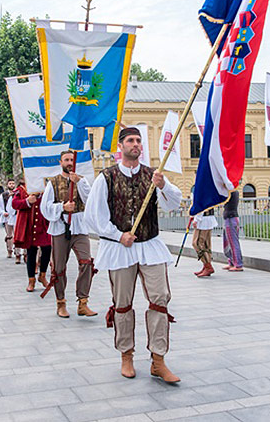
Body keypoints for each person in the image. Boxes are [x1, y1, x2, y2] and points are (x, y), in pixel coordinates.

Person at [85, 127, 182, 383]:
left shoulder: (153, 175)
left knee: (160, 298)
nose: (136, 144)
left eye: (139, 140)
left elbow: (174, 203)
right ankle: (126, 354)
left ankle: (158, 360)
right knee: (122, 302)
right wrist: (119, 235)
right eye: (131, 140)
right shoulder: (106, 177)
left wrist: (162, 187)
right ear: (121, 146)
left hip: (150, 245)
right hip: (120, 249)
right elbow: (94, 216)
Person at [40, 150, 97, 318]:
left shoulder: (82, 180)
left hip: (80, 227)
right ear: (60, 162)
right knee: (58, 268)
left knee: (86, 262)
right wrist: (62, 208)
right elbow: (45, 207)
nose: (69, 162)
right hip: (60, 227)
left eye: (72, 159)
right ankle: (61, 303)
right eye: (66, 160)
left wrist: (79, 182)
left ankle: (83, 302)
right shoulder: (53, 182)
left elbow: (90, 200)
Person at [12, 177, 50, 292]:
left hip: (43, 224)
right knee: (31, 252)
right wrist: (27, 201)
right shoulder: (21, 189)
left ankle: (42, 275)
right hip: (29, 225)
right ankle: (31, 280)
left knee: (48, 248)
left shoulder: (45, 187)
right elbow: (14, 204)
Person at [0, 179, 19, 262]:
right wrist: (3, 212)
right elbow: (0, 205)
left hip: (16, 216)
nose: (12, 185)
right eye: (10, 183)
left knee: (17, 235)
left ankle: (17, 253)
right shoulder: (4, 195)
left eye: (13, 183)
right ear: (7, 184)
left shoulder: (18, 194)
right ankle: (9, 250)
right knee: (9, 235)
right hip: (7, 217)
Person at [192, 208, 217, 277]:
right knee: (206, 244)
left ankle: (208, 266)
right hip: (207, 217)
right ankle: (206, 266)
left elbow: (200, 204)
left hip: (203, 219)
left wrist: (196, 219)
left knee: (197, 243)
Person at [222, 191, 243, 271]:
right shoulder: (231, 192)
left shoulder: (231, 192)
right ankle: (231, 262)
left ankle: (238, 264)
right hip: (230, 218)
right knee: (228, 242)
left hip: (231, 218)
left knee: (233, 242)